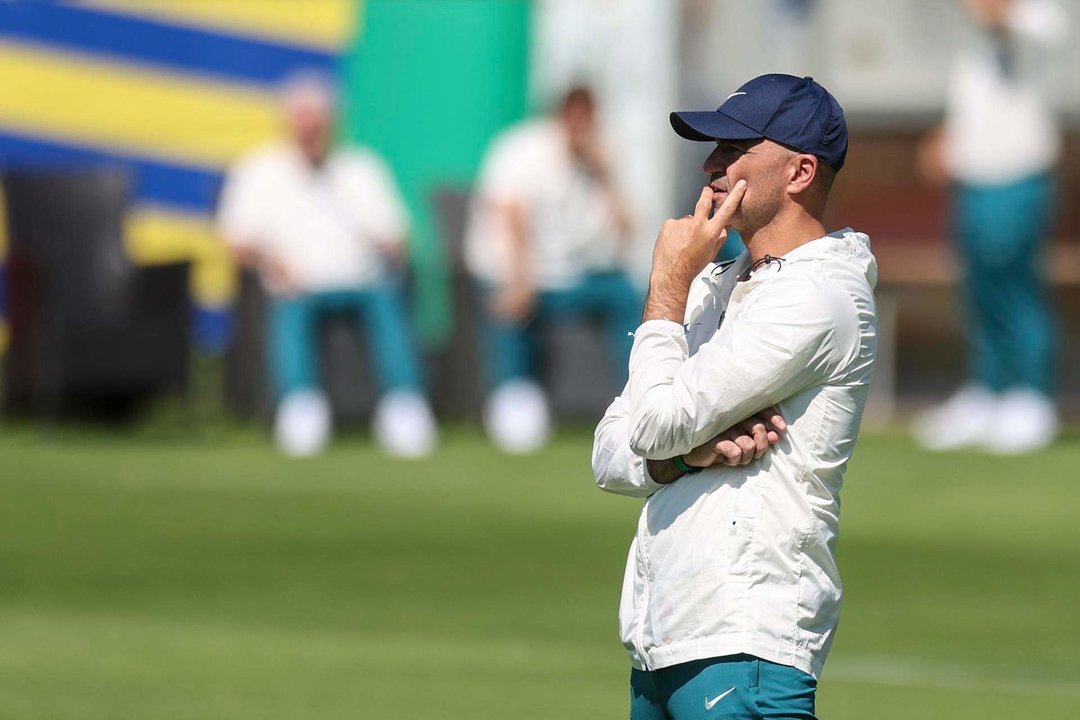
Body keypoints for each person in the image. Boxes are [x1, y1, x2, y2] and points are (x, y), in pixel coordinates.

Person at [592, 74, 877, 719]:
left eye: (735, 148)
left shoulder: (817, 298)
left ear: (800, 172)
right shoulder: (716, 282)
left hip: (747, 639)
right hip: (664, 637)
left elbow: (657, 420)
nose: (710, 164)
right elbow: (611, 452)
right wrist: (685, 459)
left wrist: (667, 281)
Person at [217, 71, 437, 458]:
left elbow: (397, 234)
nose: (310, 130)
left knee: (387, 297)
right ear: (288, 123)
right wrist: (272, 261)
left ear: (332, 124)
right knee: (290, 303)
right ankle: (301, 407)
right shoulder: (259, 171)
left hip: (363, 283)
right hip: (295, 285)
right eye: (303, 120)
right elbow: (235, 241)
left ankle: (405, 405)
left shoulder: (360, 169)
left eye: (318, 121)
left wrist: (392, 247)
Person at [913, 0, 1067, 454]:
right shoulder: (974, 42)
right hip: (973, 183)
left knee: (1013, 284)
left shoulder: (1038, 16)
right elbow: (976, 102)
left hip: (1017, 179)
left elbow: (1018, 22)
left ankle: (1031, 395)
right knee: (979, 288)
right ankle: (988, 390)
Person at [465, 86, 640, 453]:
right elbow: (510, 216)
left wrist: (607, 178)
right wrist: (519, 278)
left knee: (629, 296)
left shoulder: (603, 158)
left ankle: (640, 394)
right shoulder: (521, 150)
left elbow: (627, 233)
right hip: (515, 271)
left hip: (573, 279)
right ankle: (513, 397)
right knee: (510, 307)